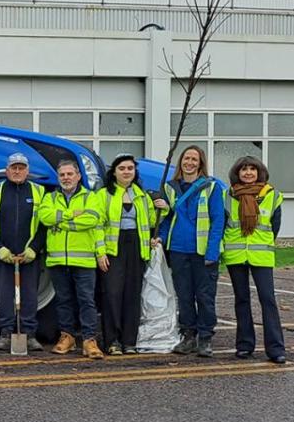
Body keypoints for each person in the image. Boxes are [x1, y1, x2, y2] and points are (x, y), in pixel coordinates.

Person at [156, 144, 226, 358]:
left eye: (194, 159)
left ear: (201, 163)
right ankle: (189, 335)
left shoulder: (212, 187)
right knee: (184, 296)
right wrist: (161, 237)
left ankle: (205, 337)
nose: (190, 163)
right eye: (187, 158)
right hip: (178, 249)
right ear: (181, 162)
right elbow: (167, 219)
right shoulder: (169, 187)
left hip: (203, 251)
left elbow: (217, 221)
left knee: (205, 296)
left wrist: (212, 253)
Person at [37, 159, 105, 358]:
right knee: (64, 301)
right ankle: (67, 337)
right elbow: (45, 217)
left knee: (86, 301)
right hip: (58, 260)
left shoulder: (90, 197)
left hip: (83, 261)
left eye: (69, 174)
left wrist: (61, 221)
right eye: (62, 175)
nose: (66, 178)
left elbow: (92, 219)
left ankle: (90, 340)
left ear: (78, 176)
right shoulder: (49, 197)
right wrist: (71, 215)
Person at [0, 153, 45, 352]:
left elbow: (44, 224)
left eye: (21, 168)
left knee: (29, 296)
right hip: (2, 256)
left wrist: (34, 248)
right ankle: (6, 333)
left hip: (28, 257)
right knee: (6, 296)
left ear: (27, 170)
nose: (17, 171)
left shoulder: (38, 191)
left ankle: (30, 334)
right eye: (14, 168)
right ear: (7, 170)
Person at [224, 156, 286, 363]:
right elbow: (224, 224)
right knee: (241, 301)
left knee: (268, 300)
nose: (248, 173)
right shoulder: (228, 195)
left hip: (261, 255)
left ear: (260, 172)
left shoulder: (272, 195)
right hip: (236, 255)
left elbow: (274, 227)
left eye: (252, 169)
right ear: (237, 173)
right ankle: (244, 345)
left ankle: (276, 349)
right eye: (244, 169)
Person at [96, 154, 156, 355]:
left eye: (130, 168)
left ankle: (129, 341)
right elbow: (97, 225)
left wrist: (161, 209)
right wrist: (100, 252)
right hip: (113, 249)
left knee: (132, 295)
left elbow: (150, 222)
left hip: (136, 248)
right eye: (122, 168)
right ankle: (112, 341)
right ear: (114, 172)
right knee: (112, 295)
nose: (126, 172)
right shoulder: (104, 195)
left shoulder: (142, 195)